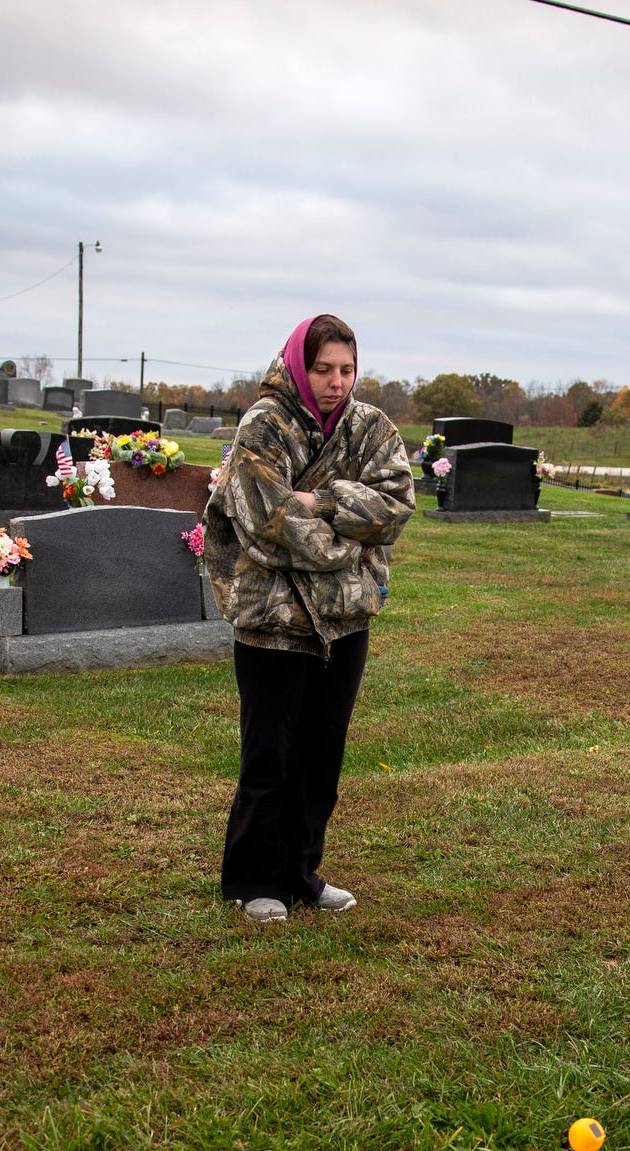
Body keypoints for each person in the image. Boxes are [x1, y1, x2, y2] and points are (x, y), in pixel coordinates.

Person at [201, 315, 415, 923]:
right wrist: (354, 541)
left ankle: (301, 873)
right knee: (269, 755)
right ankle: (252, 881)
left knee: (322, 756)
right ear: (300, 365)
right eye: (324, 369)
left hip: (345, 620)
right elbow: (269, 529)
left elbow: (396, 507)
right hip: (273, 619)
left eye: (347, 369)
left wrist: (320, 499)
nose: (337, 382)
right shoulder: (262, 427)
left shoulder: (371, 428)